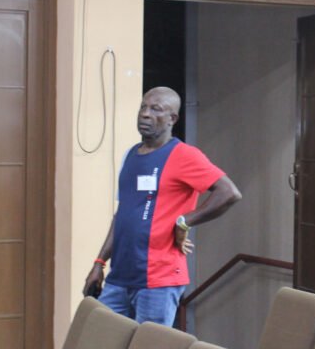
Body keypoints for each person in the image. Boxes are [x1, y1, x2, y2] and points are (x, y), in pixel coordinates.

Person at [83, 87, 241, 325]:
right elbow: (122, 216)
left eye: (156, 109)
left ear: (172, 119)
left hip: (159, 279)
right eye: (143, 107)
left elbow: (229, 193)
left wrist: (185, 220)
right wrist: (99, 263)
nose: (145, 114)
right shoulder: (130, 156)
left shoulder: (184, 155)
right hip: (119, 278)